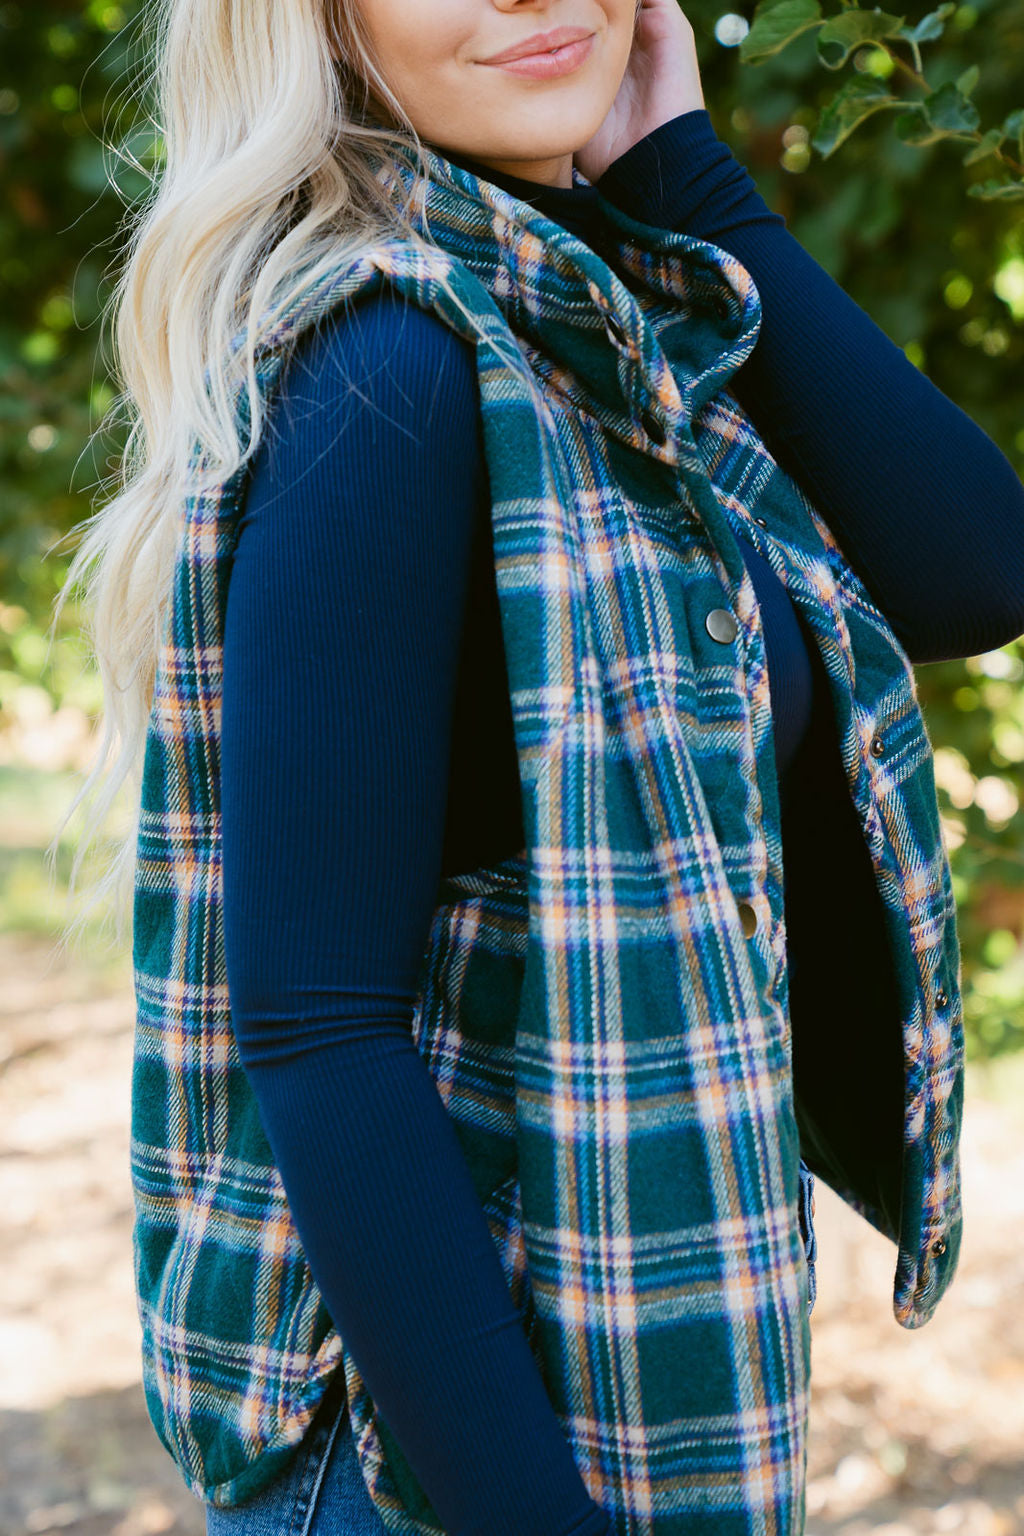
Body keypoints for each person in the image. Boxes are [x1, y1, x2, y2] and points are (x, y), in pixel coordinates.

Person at [55, 0, 1024, 1534]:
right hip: (438, 1458)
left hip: (592, 1396)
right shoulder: (389, 368)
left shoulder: (595, 330)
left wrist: (684, 171)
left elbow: (976, 570)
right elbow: (317, 1031)